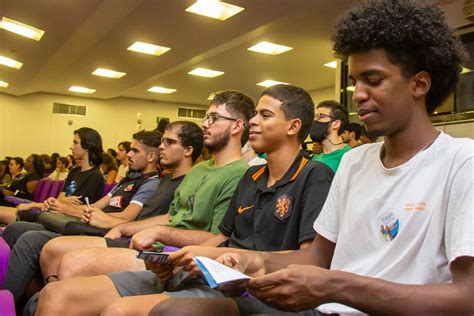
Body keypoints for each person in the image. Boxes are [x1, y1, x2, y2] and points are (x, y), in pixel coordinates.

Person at [153, 0, 474, 315]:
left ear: (419, 84)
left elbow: (466, 297)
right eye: (355, 83)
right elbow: (318, 257)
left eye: (373, 81)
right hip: (324, 307)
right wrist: (255, 261)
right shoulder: (354, 162)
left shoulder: (461, 161)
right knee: (175, 311)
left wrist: (335, 286)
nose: (358, 94)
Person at [85, 84, 334, 316]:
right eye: (254, 114)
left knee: (121, 311)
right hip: (218, 278)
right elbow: (223, 237)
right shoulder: (252, 175)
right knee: (64, 295)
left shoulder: (314, 175)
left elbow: (310, 258)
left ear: (293, 127)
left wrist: (226, 259)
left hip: (260, 293)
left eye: (265, 115)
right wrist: (183, 257)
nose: (253, 122)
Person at [34, 91, 255, 315]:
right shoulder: (200, 169)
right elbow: (171, 216)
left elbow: (217, 238)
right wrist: (123, 227)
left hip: (183, 258)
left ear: (237, 126)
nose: (205, 124)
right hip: (159, 255)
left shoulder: (239, 175)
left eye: (214, 118)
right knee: (55, 294)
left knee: (72, 264)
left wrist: (160, 233)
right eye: (206, 117)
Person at [3, 130, 162, 305]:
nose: (128, 155)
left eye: (135, 151)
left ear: (151, 157)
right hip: (85, 224)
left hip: (99, 232)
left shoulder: (151, 183)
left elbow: (127, 217)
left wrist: (75, 211)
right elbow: (94, 207)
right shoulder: (126, 181)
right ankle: (17, 299)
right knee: (16, 229)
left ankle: (6, 304)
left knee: (29, 239)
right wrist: (64, 206)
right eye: (130, 150)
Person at [39, 121, 203, 282]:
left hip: (141, 243)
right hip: (129, 234)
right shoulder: (165, 179)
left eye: (169, 142)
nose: (161, 146)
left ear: (188, 150)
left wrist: (118, 225)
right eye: (162, 142)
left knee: (62, 256)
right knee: (50, 249)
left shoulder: (186, 181)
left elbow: (168, 221)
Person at [0, 155, 45, 223]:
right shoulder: (24, 175)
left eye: (28, 161)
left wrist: (5, 191)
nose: (25, 162)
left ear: (34, 165)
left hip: (10, 201)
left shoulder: (33, 176)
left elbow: (29, 193)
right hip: (6, 197)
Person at [310, 100, 351, 173]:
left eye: (320, 116)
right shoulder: (315, 159)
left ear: (336, 124)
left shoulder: (350, 157)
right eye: (314, 117)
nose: (314, 121)